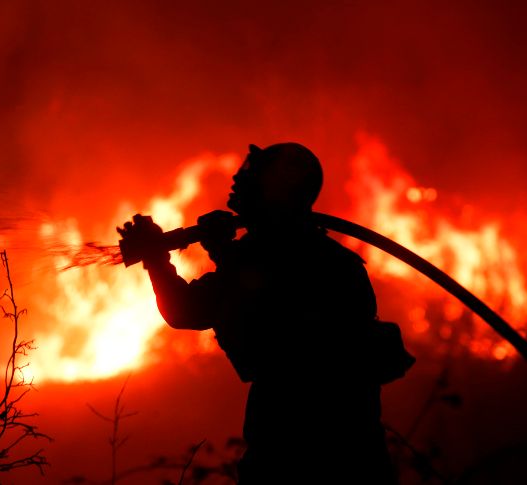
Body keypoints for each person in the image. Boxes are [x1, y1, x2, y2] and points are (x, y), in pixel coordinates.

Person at [118, 143, 411, 483]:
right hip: (310, 455)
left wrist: (224, 254)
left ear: (277, 189)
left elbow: (280, 332)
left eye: (252, 175)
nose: (237, 180)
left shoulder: (310, 262)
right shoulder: (284, 255)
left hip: (313, 457)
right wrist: (159, 259)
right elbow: (189, 309)